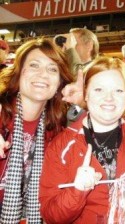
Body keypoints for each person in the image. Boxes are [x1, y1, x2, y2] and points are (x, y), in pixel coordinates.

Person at [39, 56, 125, 223]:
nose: (109, 98)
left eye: (118, 90)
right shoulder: (62, 146)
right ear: (85, 95)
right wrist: (78, 190)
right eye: (99, 90)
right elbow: (51, 215)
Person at [0, 38, 74, 223]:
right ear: (19, 73)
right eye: (34, 65)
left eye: (52, 69)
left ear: (59, 83)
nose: (43, 75)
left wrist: (82, 103)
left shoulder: (56, 130)